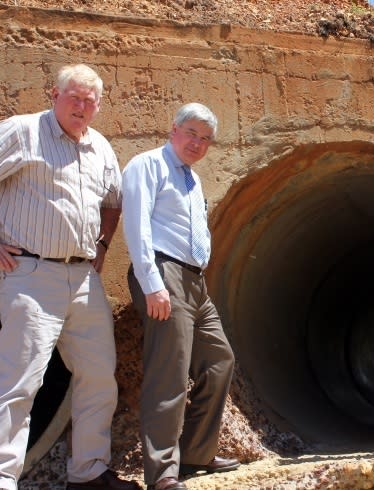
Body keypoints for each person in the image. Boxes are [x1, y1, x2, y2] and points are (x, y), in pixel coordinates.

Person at [0, 64, 139, 490]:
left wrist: (103, 247)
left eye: (90, 100)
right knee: (20, 380)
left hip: (83, 277)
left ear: (99, 105)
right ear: (53, 94)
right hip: (31, 273)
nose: (81, 106)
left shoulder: (101, 148)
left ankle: (88, 472)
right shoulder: (22, 132)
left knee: (97, 376)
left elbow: (113, 201)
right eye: (74, 96)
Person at [122, 103, 239, 490]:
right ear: (173, 129)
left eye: (205, 139)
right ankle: (162, 473)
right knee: (168, 373)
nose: (198, 143)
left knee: (220, 361)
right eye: (192, 133)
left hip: (194, 282)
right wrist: (152, 282)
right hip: (163, 273)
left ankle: (195, 454)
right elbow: (137, 227)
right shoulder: (148, 165)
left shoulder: (192, 180)